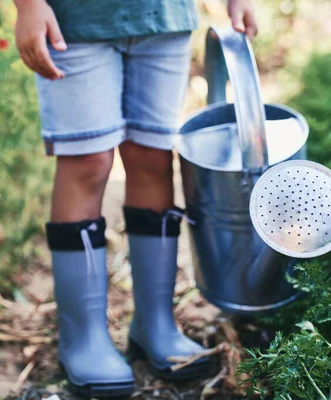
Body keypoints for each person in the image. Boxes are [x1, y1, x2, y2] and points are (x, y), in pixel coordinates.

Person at [13, 0, 258, 397]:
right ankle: (82, 337)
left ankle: (155, 323)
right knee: (87, 161)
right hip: (73, 20)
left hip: (164, 16)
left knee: (153, 157)